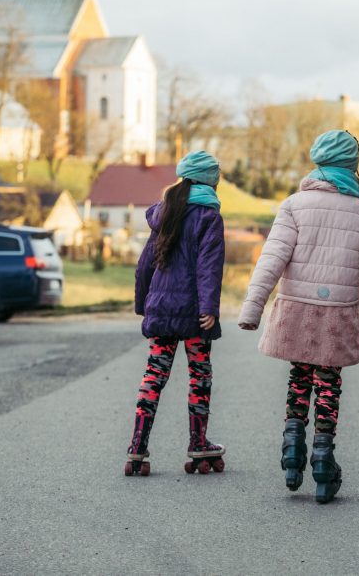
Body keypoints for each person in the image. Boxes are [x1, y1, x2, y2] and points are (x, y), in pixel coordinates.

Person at [238, 130, 359, 503]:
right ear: (353, 165)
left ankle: (291, 451)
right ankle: (322, 460)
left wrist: (252, 308)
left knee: (300, 375)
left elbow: (272, 258)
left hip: (296, 309)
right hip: (338, 311)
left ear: (318, 163)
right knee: (329, 383)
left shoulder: (294, 204)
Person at [125, 150, 226, 477]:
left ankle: (137, 448)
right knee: (200, 375)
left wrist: (144, 304)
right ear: (211, 180)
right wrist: (209, 306)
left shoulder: (166, 212)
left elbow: (145, 265)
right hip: (195, 314)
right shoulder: (209, 216)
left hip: (163, 310)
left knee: (154, 374)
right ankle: (198, 443)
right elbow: (208, 266)